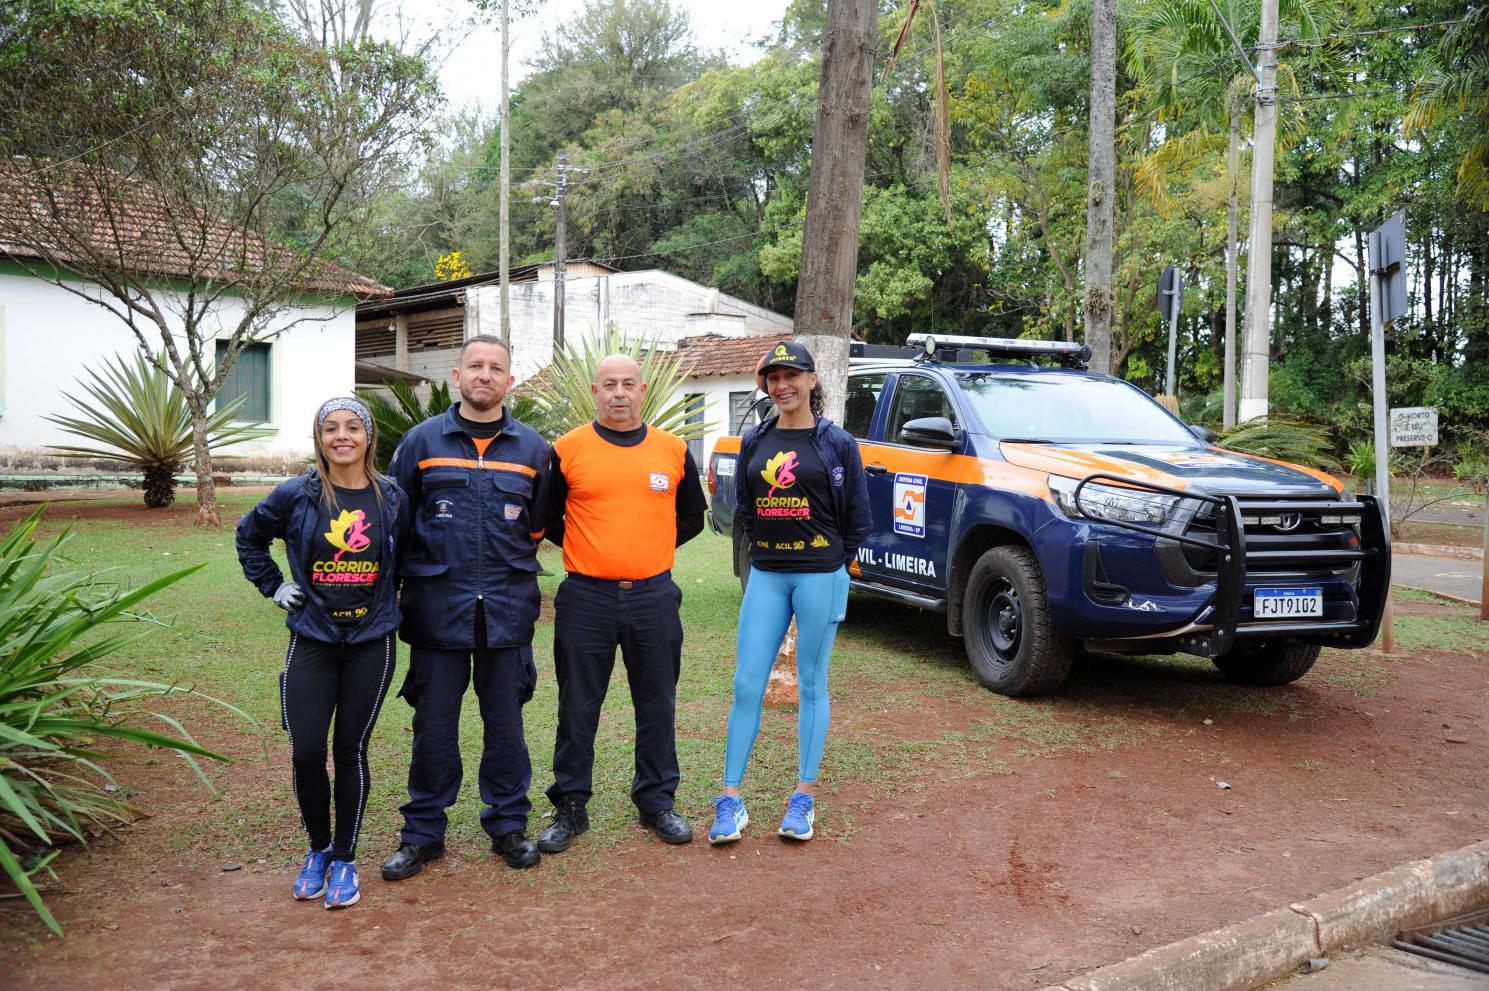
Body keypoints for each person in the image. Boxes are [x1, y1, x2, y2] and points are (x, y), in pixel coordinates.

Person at [379, 335, 551, 880]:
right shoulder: (422, 441)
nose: (485, 375)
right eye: (475, 366)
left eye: (496, 368)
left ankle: (508, 825)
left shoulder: (533, 450)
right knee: (433, 727)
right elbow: (397, 524)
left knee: (506, 727)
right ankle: (423, 833)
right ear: (457, 376)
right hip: (437, 610)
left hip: (506, 610)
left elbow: (538, 527)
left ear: (510, 381)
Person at [236, 396, 409, 909]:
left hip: (370, 640)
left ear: (368, 437)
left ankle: (345, 860)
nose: (342, 437)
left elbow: (408, 556)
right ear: (319, 438)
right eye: (331, 428)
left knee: (350, 750)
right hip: (313, 636)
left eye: (353, 427)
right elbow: (249, 536)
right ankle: (318, 850)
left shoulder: (391, 497)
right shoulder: (297, 494)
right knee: (307, 750)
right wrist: (274, 586)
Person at [536, 354, 707, 852]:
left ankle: (656, 802)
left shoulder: (673, 450)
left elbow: (691, 518)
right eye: (609, 384)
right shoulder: (567, 449)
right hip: (585, 598)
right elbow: (549, 518)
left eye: (628, 384)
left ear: (642, 390)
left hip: (653, 597)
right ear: (595, 391)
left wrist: (648, 551)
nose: (618, 393)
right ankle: (571, 806)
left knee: (657, 703)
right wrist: (592, 550)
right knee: (577, 705)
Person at [708, 340, 870, 844]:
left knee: (811, 683)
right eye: (774, 378)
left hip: (820, 574)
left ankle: (804, 797)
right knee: (747, 684)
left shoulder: (837, 443)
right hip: (768, 574)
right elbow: (747, 507)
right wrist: (766, 550)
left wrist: (833, 564)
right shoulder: (755, 439)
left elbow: (857, 517)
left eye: (792, 376)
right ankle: (731, 800)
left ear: (811, 380)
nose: (783, 386)